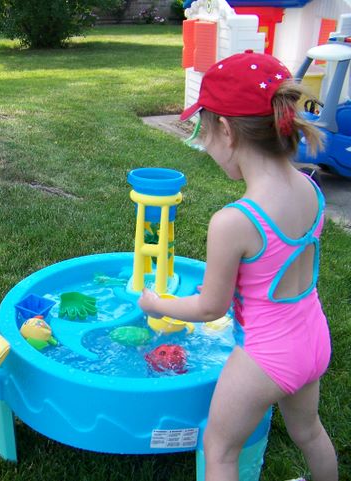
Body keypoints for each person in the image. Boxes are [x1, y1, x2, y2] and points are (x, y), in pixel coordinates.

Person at [139, 51, 338, 481]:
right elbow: (274, 270)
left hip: (267, 357)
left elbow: (209, 308)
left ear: (227, 131)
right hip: (312, 339)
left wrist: (157, 304)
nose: (205, 146)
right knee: (309, 432)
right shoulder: (311, 189)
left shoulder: (235, 220)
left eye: (204, 133)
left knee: (220, 448)